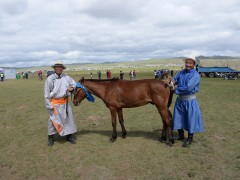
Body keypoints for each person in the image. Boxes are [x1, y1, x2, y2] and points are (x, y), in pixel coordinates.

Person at [173, 57, 204, 147]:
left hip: (190, 100)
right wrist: (171, 81)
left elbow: (188, 88)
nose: (188, 65)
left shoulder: (195, 75)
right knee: (178, 117)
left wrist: (175, 90)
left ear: (194, 64)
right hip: (180, 100)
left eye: (190, 63)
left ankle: (190, 138)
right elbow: (175, 79)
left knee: (190, 118)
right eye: (187, 63)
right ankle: (180, 135)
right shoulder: (181, 72)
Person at [44, 61, 77, 146]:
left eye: (60, 67)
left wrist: (72, 88)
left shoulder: (67, 77)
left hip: (65, 102)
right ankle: (50, 137)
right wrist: (49, 105)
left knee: (67, 119)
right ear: (54, 68)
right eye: (57, 67)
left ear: (62, 68)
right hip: (54, 103)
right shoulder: (50, 79)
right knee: (52, 121)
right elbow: (46, 93)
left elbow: (74, 84)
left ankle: (68, 136)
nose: (59, 68)